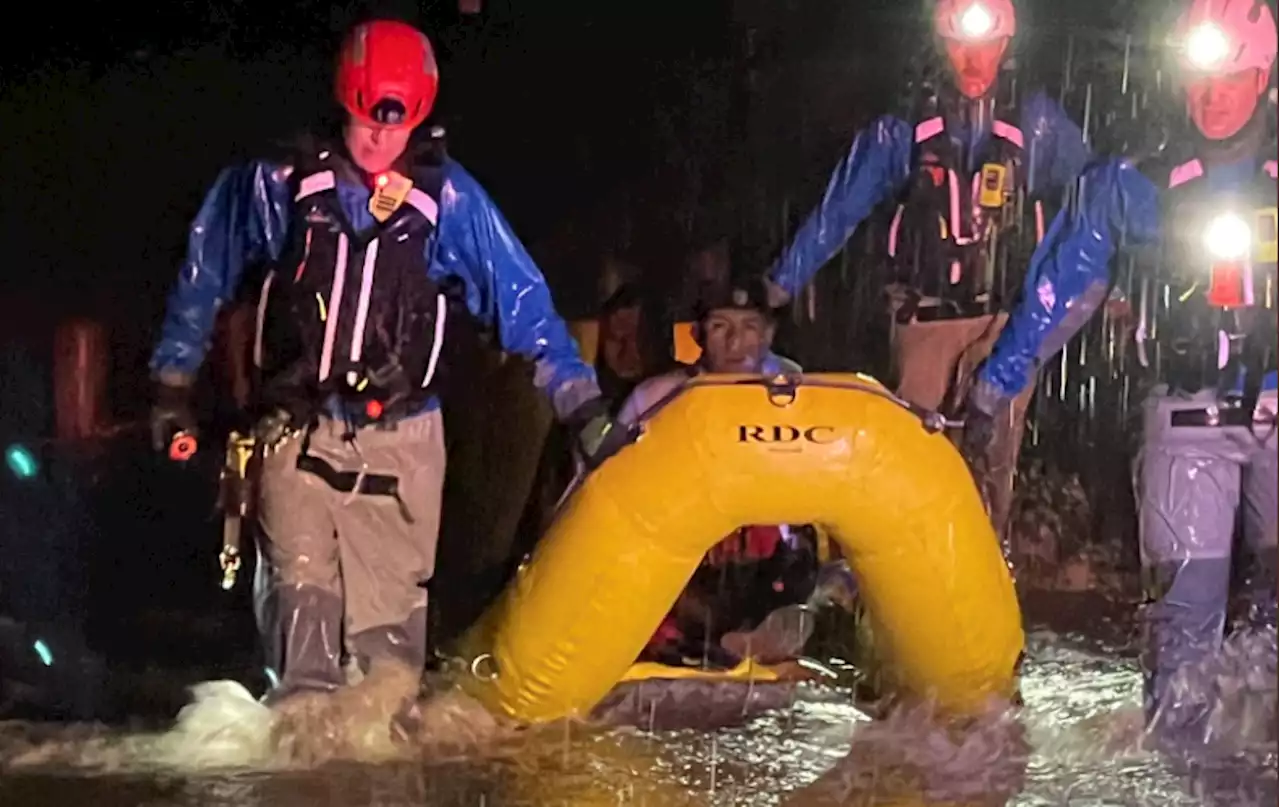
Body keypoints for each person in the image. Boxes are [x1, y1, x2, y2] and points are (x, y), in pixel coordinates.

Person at [148, 19, 613, 705]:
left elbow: (523, 303)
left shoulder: (449, 200)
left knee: (386, 678)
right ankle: (298, 752)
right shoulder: (278, 181)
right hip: (296, 430)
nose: (378, 139)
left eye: (395, 126)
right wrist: (172, 381)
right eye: (366, 120)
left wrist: (582, 402)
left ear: (421, 118)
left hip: (403, 440)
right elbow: (205, 268)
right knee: (302, 635)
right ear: (343, 102)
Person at [962, 0, 1278, 740]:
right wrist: (995, 383)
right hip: (1187, 422)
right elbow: (1059, 285)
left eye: (1231, 76)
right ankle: (1177, 766)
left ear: (1263, 76)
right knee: (1183, 626)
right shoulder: (1133, 180)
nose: (1213, 93)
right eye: (1201, 76)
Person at [763, 0, 1090, 550]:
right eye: (960, 43)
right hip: (923, 316)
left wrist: (1106, 282)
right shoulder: (905, 126)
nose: (973, 58)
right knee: (914, 452)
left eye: (985, 44)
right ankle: (896, 572)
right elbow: (839, 209)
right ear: (940, 44)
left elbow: (1094, 201)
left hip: (1005, 319)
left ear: (1005, 44)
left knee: (993, 455)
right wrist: (777, 286)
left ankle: (983, 571)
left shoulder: (1036, 122)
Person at [618, 276, 848, 667]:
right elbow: (609, 489)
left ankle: (776, 634)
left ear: (768, 334)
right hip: (686, 561)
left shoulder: (795, 399)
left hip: (764, 564)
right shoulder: (658, 397)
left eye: (749, 327)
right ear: (698, 335)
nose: (736, 342)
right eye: (720, 327)